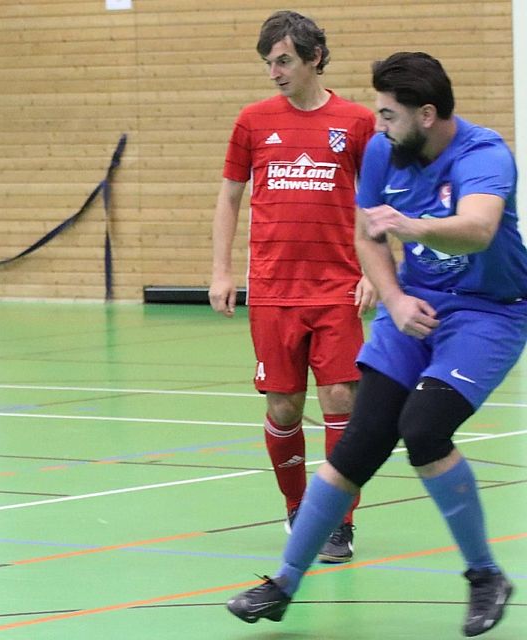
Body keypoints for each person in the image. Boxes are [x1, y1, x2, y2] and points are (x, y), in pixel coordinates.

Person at [226, 51, 527, 637]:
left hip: (487, 312)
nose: (380, 125)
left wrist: (411, 227)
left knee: (423, 429)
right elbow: (366, 235)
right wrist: (391, 298)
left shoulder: (484, 154)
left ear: (429, 114)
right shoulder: (384, 152)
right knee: (357, 445)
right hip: (410, 307)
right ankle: (285, 583)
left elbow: (479, 227)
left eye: (390, 116)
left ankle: (485, 574)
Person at [209, 10, 376, 562]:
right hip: (274, 290)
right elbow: (230, 196)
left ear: (314, 59)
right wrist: (221, 271)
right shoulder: (253, 121)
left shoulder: (355, 122)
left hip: (335, 288)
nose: (274, 72)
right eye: (268, 63)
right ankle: (298, 508)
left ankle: (337, 523)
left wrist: (378, 272)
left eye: (283, 61)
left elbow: (378, 201)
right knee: (284, 409)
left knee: (339, 399)